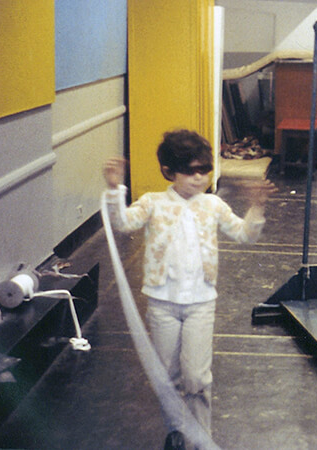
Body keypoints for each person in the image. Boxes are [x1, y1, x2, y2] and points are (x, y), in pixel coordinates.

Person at [102, 129, 275, 449]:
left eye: (204, 170)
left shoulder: (212, 205)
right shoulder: (153, 203)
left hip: (200, 304)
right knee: (167, 377)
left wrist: (256, 208)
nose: (199, 178)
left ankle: (201, 438)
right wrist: (115, 190)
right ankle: (178, 432)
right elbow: (123, 223)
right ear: (169, 171)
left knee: (197, 378)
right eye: (190, 171)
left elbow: (244, 234)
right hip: (162, 304)